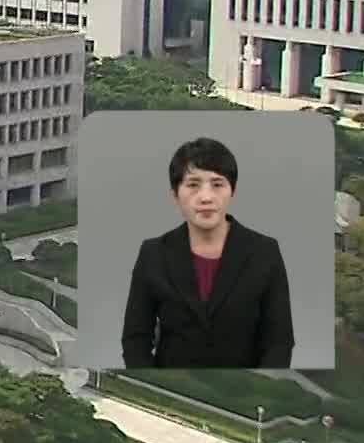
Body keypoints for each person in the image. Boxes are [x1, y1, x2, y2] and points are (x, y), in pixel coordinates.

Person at [120, 137, 294, 368]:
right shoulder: (154, 253)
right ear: (175, 195)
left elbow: (279, 341)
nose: (206, 197)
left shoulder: (264, 252)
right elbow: (135, 338)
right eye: (193, 185)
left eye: (217, 184)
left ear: (233, 191)